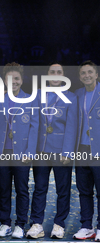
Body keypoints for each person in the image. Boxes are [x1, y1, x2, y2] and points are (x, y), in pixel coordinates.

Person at [0, 62, 39, 239]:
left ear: (21, 79)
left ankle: (20, 224)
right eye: (10, 78)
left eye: (16, 78)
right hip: (1, 153)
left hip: (21, 153)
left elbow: (35, 127)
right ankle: (5, 223)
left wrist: (30, 152)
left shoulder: (30, 99)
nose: (13, 81)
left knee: (22, 190)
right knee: (3, 189)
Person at [26, 63, 77, 239]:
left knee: (63, 190)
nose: (55, 75)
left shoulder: (71, 97)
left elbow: (72, 127)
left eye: (59, 72)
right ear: (47, 75)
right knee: (39, 188)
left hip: (61, 150)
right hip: (41, 150)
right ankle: (37, 224)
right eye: (52, 72)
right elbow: (33, 125)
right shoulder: (38, 95)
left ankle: (59, 224)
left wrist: (68, 151)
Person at [73, 60, 100, 241]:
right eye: (83, 73)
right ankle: (86, 226)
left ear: (96, 75)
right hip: (81, 148)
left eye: (90, 72)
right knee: (84, 190)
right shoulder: (77, 94)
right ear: (80, 77)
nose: (87, 76)